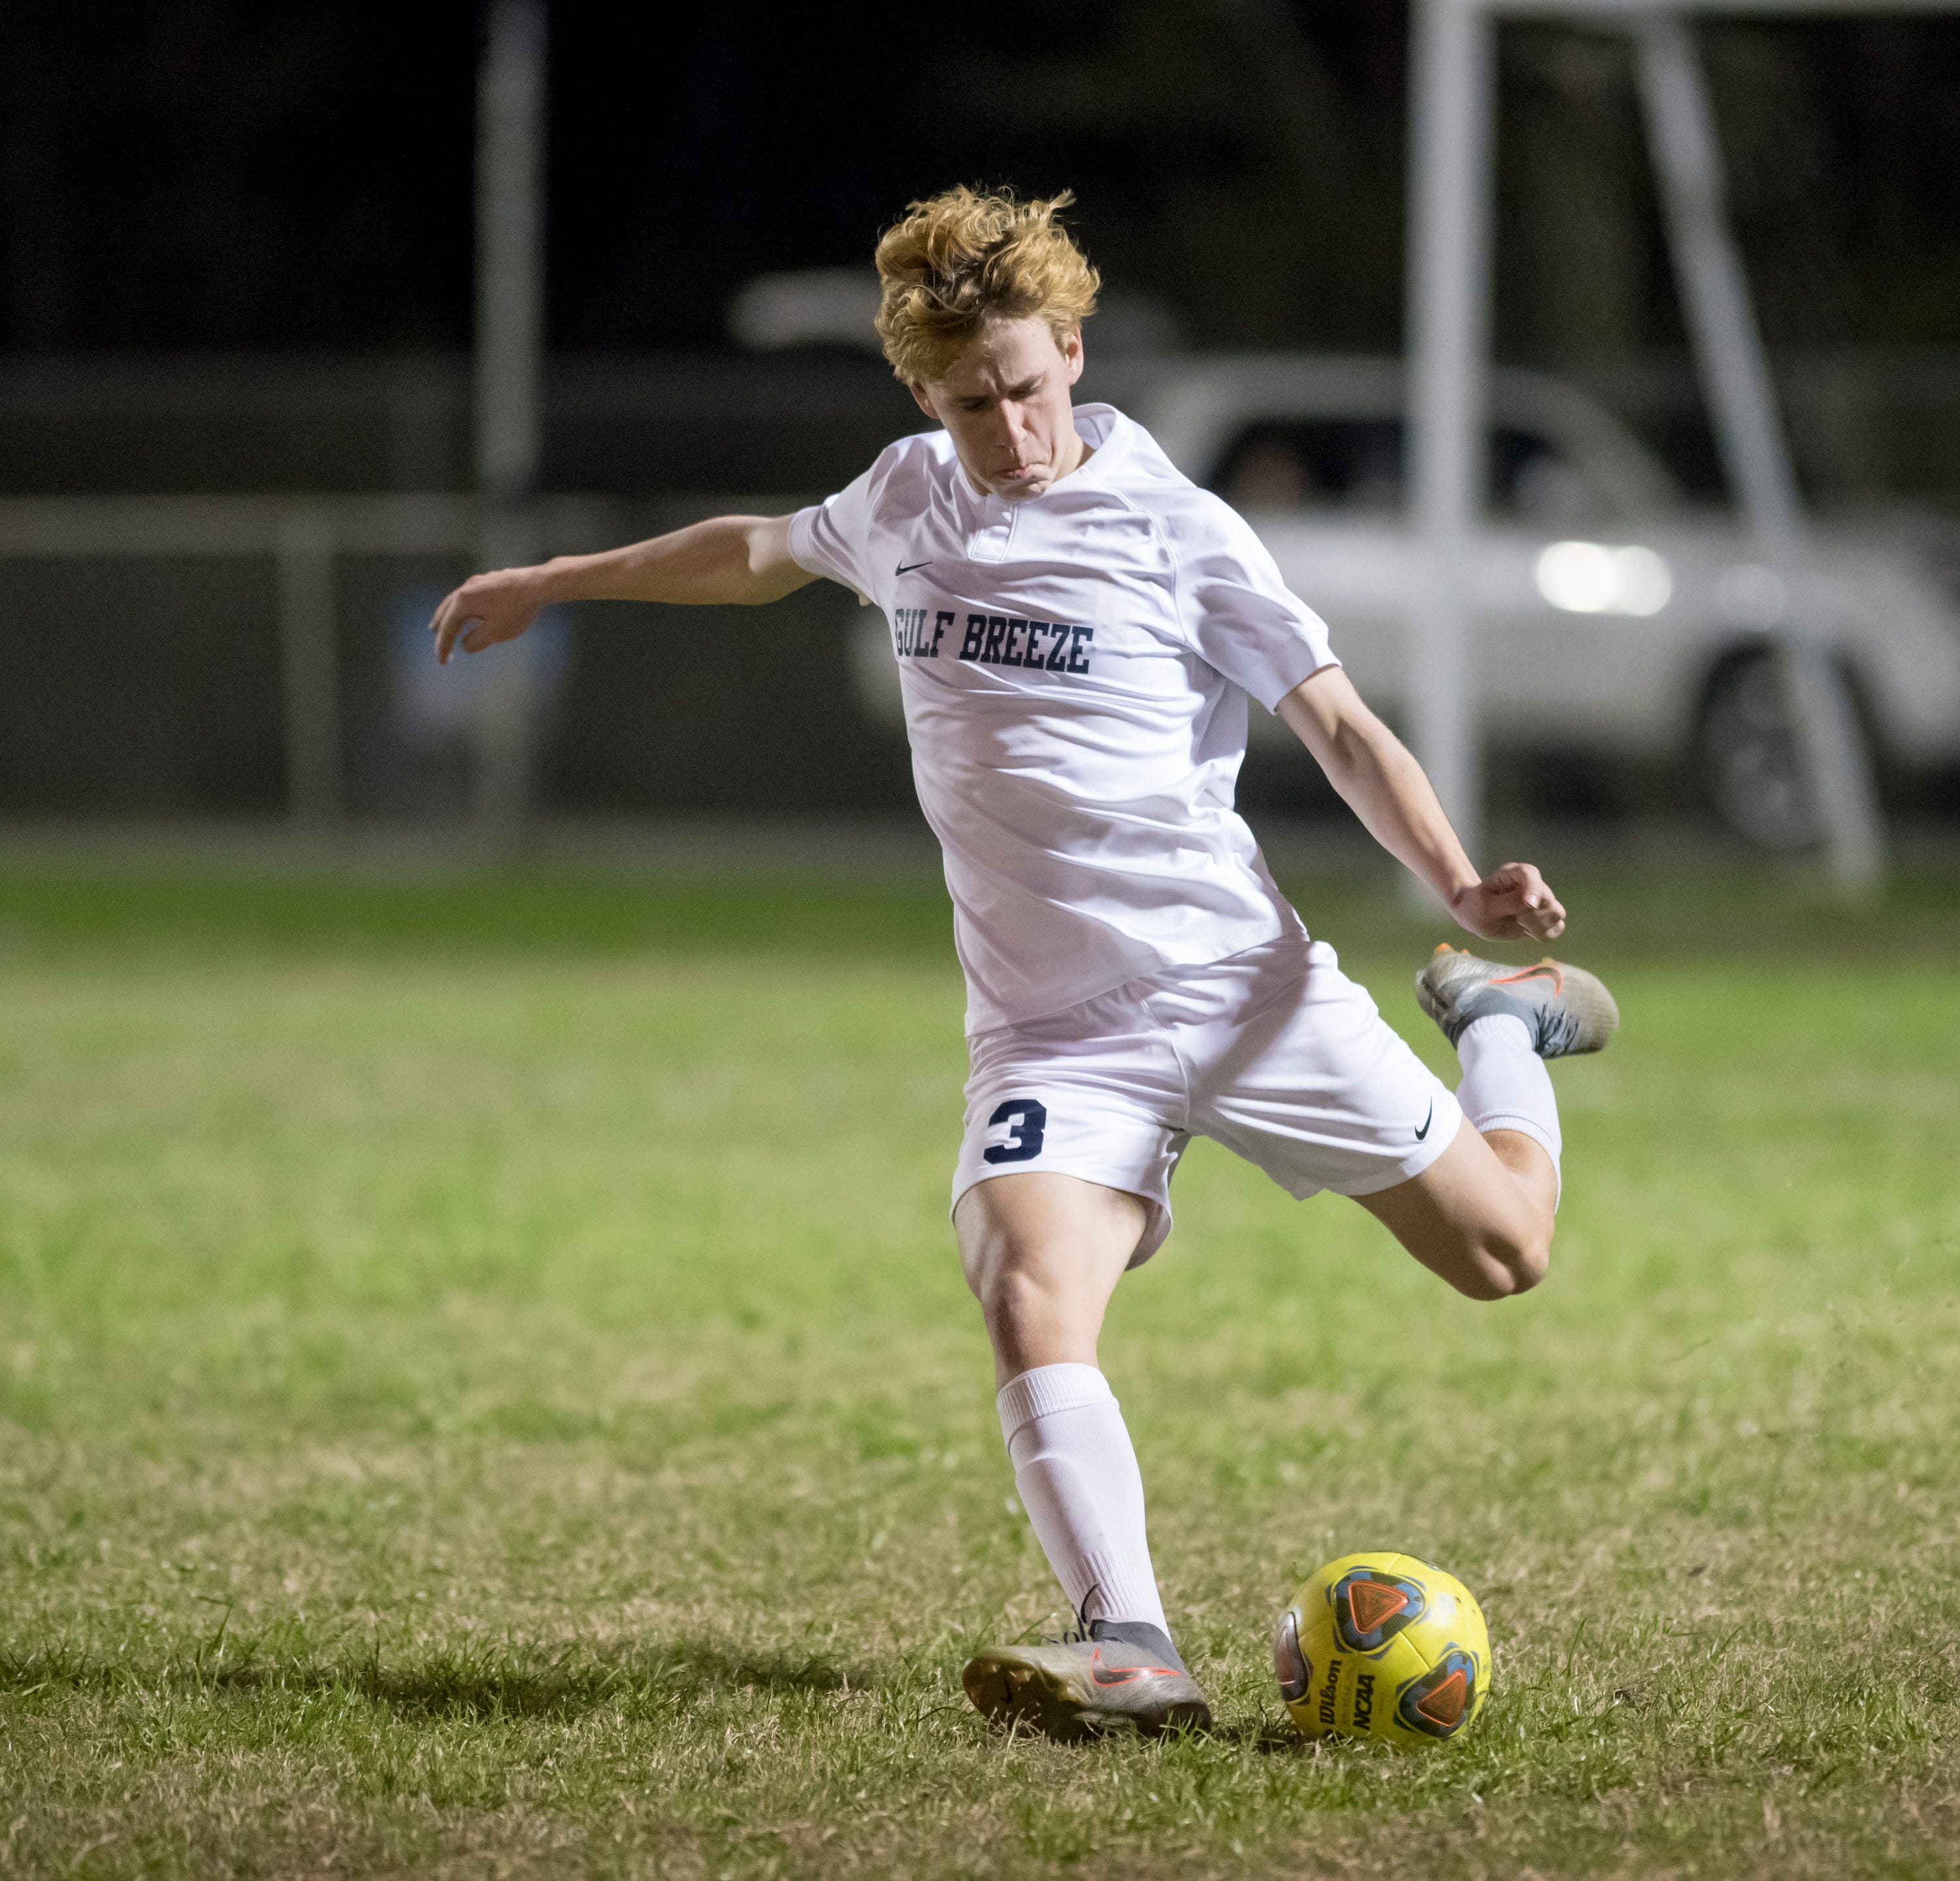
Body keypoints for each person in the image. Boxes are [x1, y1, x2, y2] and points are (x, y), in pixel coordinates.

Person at [427, 186, 1619, 1741]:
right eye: (967, 400)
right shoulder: (907, 498)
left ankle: (1505, 1035)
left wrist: (1458, 883)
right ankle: (1128, 1638)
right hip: (1054, 1033)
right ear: (923, 395)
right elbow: (754, 553)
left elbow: (1335, 722)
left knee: (1502, 1252)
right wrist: (555, 580)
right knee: (1024, 1283)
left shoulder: (1180, 528)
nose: (1006, 426)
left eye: (1025, 384)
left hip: (1240, 994)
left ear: (1072, 344)